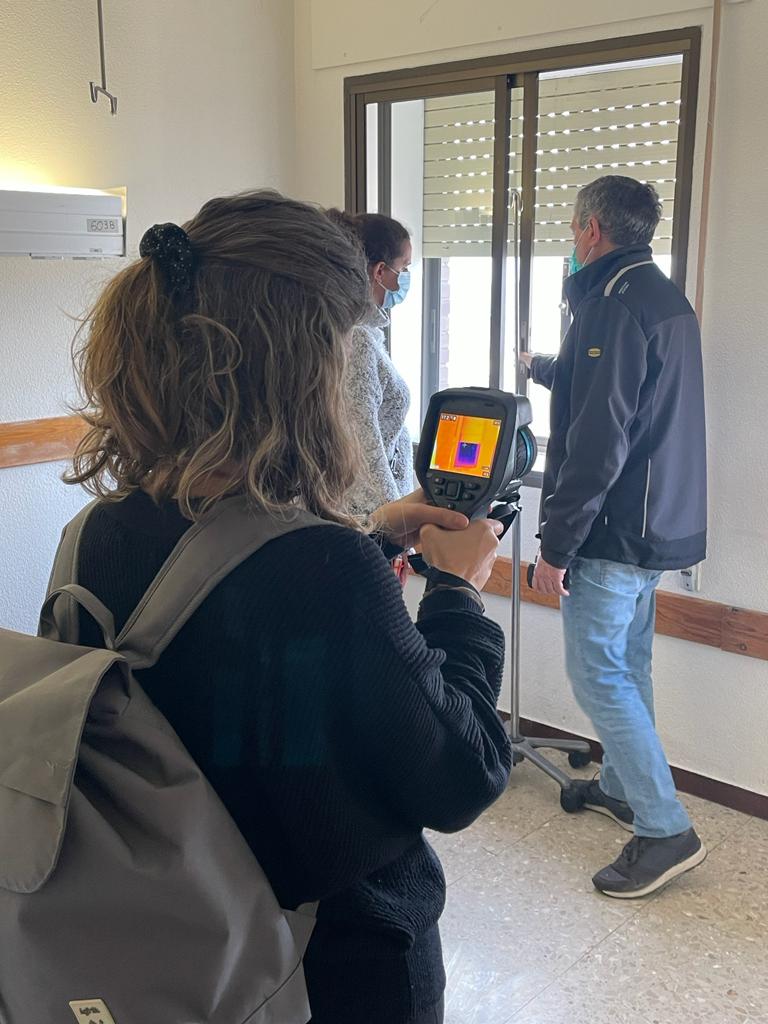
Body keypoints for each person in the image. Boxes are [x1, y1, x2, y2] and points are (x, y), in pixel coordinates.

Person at [64, 190, 512, 1024]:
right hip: (333, 969)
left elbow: (229, 630)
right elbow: (464, 776)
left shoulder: (96, 537)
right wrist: (457, 594)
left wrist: (374, 533)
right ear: (306, 370)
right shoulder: (323, 569)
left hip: (176, 951)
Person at [524, 175, 707, 898]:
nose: (572, 241)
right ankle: (628, 791)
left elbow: (602, 438)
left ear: (592, 229)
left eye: (573, 229)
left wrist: (555, 545)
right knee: (628, 667)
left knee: (598, 674)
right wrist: (545, 370)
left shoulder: (612, 303)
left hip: (612, 532)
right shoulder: (661, 298)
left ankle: (665, 830)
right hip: (658, 525)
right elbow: (624, 395)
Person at [326, 210, 414, 517]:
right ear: (380, 272)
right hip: (371, 521)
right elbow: (365, 451)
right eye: (404, 268)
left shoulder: (369, 333)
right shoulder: (358, 340)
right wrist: (400, 526)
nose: (405, 279)